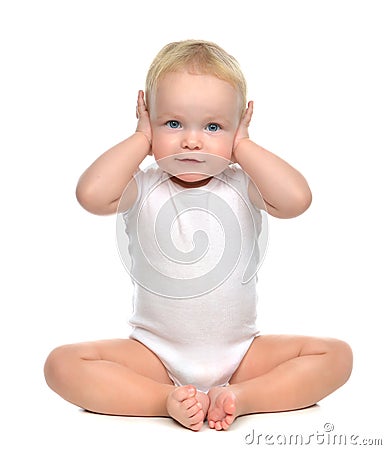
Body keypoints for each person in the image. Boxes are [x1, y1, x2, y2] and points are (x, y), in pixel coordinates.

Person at [44, 40, 353, 432]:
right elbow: (90, 194)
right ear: (149, 117)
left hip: (240, 356)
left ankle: (242, 398)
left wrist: (242, 146)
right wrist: (141, 138)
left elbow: (297, 200)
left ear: (238, 123)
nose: (192, 140)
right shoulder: (142, 186)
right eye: (172, 123)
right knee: (61, 365)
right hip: (154, 355)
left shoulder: (243, 184)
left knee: (337, 356)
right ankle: (162, 400)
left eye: (213, 126)